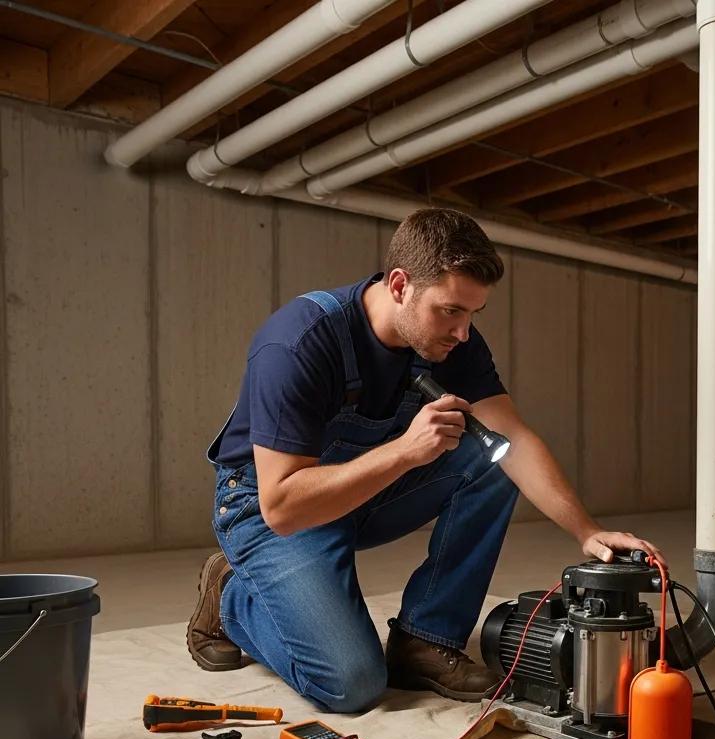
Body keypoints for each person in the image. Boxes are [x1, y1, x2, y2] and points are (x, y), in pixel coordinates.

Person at [187, 208, 665, 712]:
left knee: (490, 456)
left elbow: (514, 439)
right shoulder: (299, 342)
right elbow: (283, 505)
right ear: (399, 285)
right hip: (268, 511)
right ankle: (235, 595)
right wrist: (404, 451)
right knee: (352, 685)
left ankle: (425, 638)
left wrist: (585, 531)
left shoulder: (450, 342)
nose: (463, 332)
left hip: (360, 493)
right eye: (451, 311)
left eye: (473, 314)